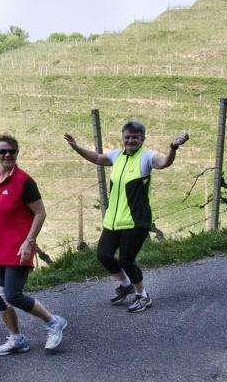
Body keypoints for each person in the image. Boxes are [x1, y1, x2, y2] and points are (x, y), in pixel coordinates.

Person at [64, 120, 189, 313]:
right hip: (113, 219)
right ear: (122, 138)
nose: (130, 141)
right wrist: (76, 147)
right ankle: (125, 284)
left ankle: (142, 295)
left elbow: (164, 163)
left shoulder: (147, 157)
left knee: (126, 260)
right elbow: (97, 158)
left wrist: (173, 147)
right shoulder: (117, 155)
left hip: (136, 220)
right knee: (104, 255)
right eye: (127, 137)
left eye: (135, 137)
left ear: (142, 139)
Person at [0, 134, 67, 356]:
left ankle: (53, 322)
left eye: (12, 151)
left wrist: (30, 241)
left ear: (17, 153)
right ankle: (16, 338)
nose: (7, 155)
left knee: (13, 294)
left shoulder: (25, 182)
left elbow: (40, 212)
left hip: (19, 247)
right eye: (3, 151)